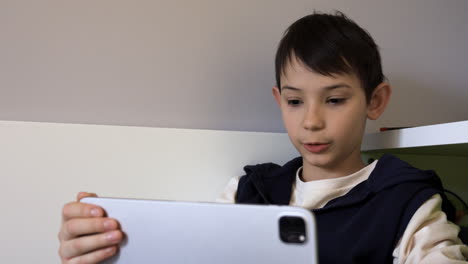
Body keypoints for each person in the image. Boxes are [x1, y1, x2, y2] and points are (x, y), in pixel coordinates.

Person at [58, 11, 468, 264]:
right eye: (294, 101)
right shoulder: (246, 193)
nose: (311, 121)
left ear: (374, 100)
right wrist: (108, 250)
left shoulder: (406, 201)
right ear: (279, 100)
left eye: (335, 99)